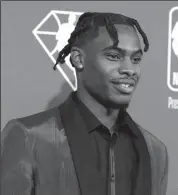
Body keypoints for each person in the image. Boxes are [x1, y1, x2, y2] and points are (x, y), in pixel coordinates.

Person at [1, 12, 168, 195]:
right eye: (113, 56)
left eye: (135, 59)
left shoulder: (154, 151)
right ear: (78, 59)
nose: (129, 69)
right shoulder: (29, 138)